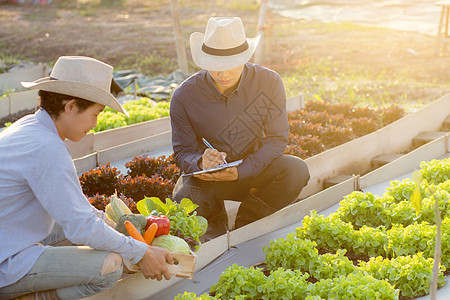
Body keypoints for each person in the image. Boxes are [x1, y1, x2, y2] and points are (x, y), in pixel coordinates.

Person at [0, 56, 174, 300]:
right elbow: (81, 227)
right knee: (110, 266)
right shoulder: (47, 147)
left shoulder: (30, 126)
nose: (95, 124)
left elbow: (78, 210)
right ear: (70, 106)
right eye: (95, 114)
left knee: (66, 226)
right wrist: (140, 253)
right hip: (5, 259)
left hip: (7, 233)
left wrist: (123, 233)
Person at [170, 17, 310, 241]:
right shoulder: (184, 96)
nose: (223, 74)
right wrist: (200, 162)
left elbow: (277, 139)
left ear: (244, 58)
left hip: (252, 173)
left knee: (295, 170)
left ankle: (247, 224)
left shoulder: (269, 82)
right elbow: (182, 152)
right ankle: (215, 227)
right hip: (208, 181)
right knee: (184, 196)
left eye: (230, 65)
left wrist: (242, 170)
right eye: (215, 67)